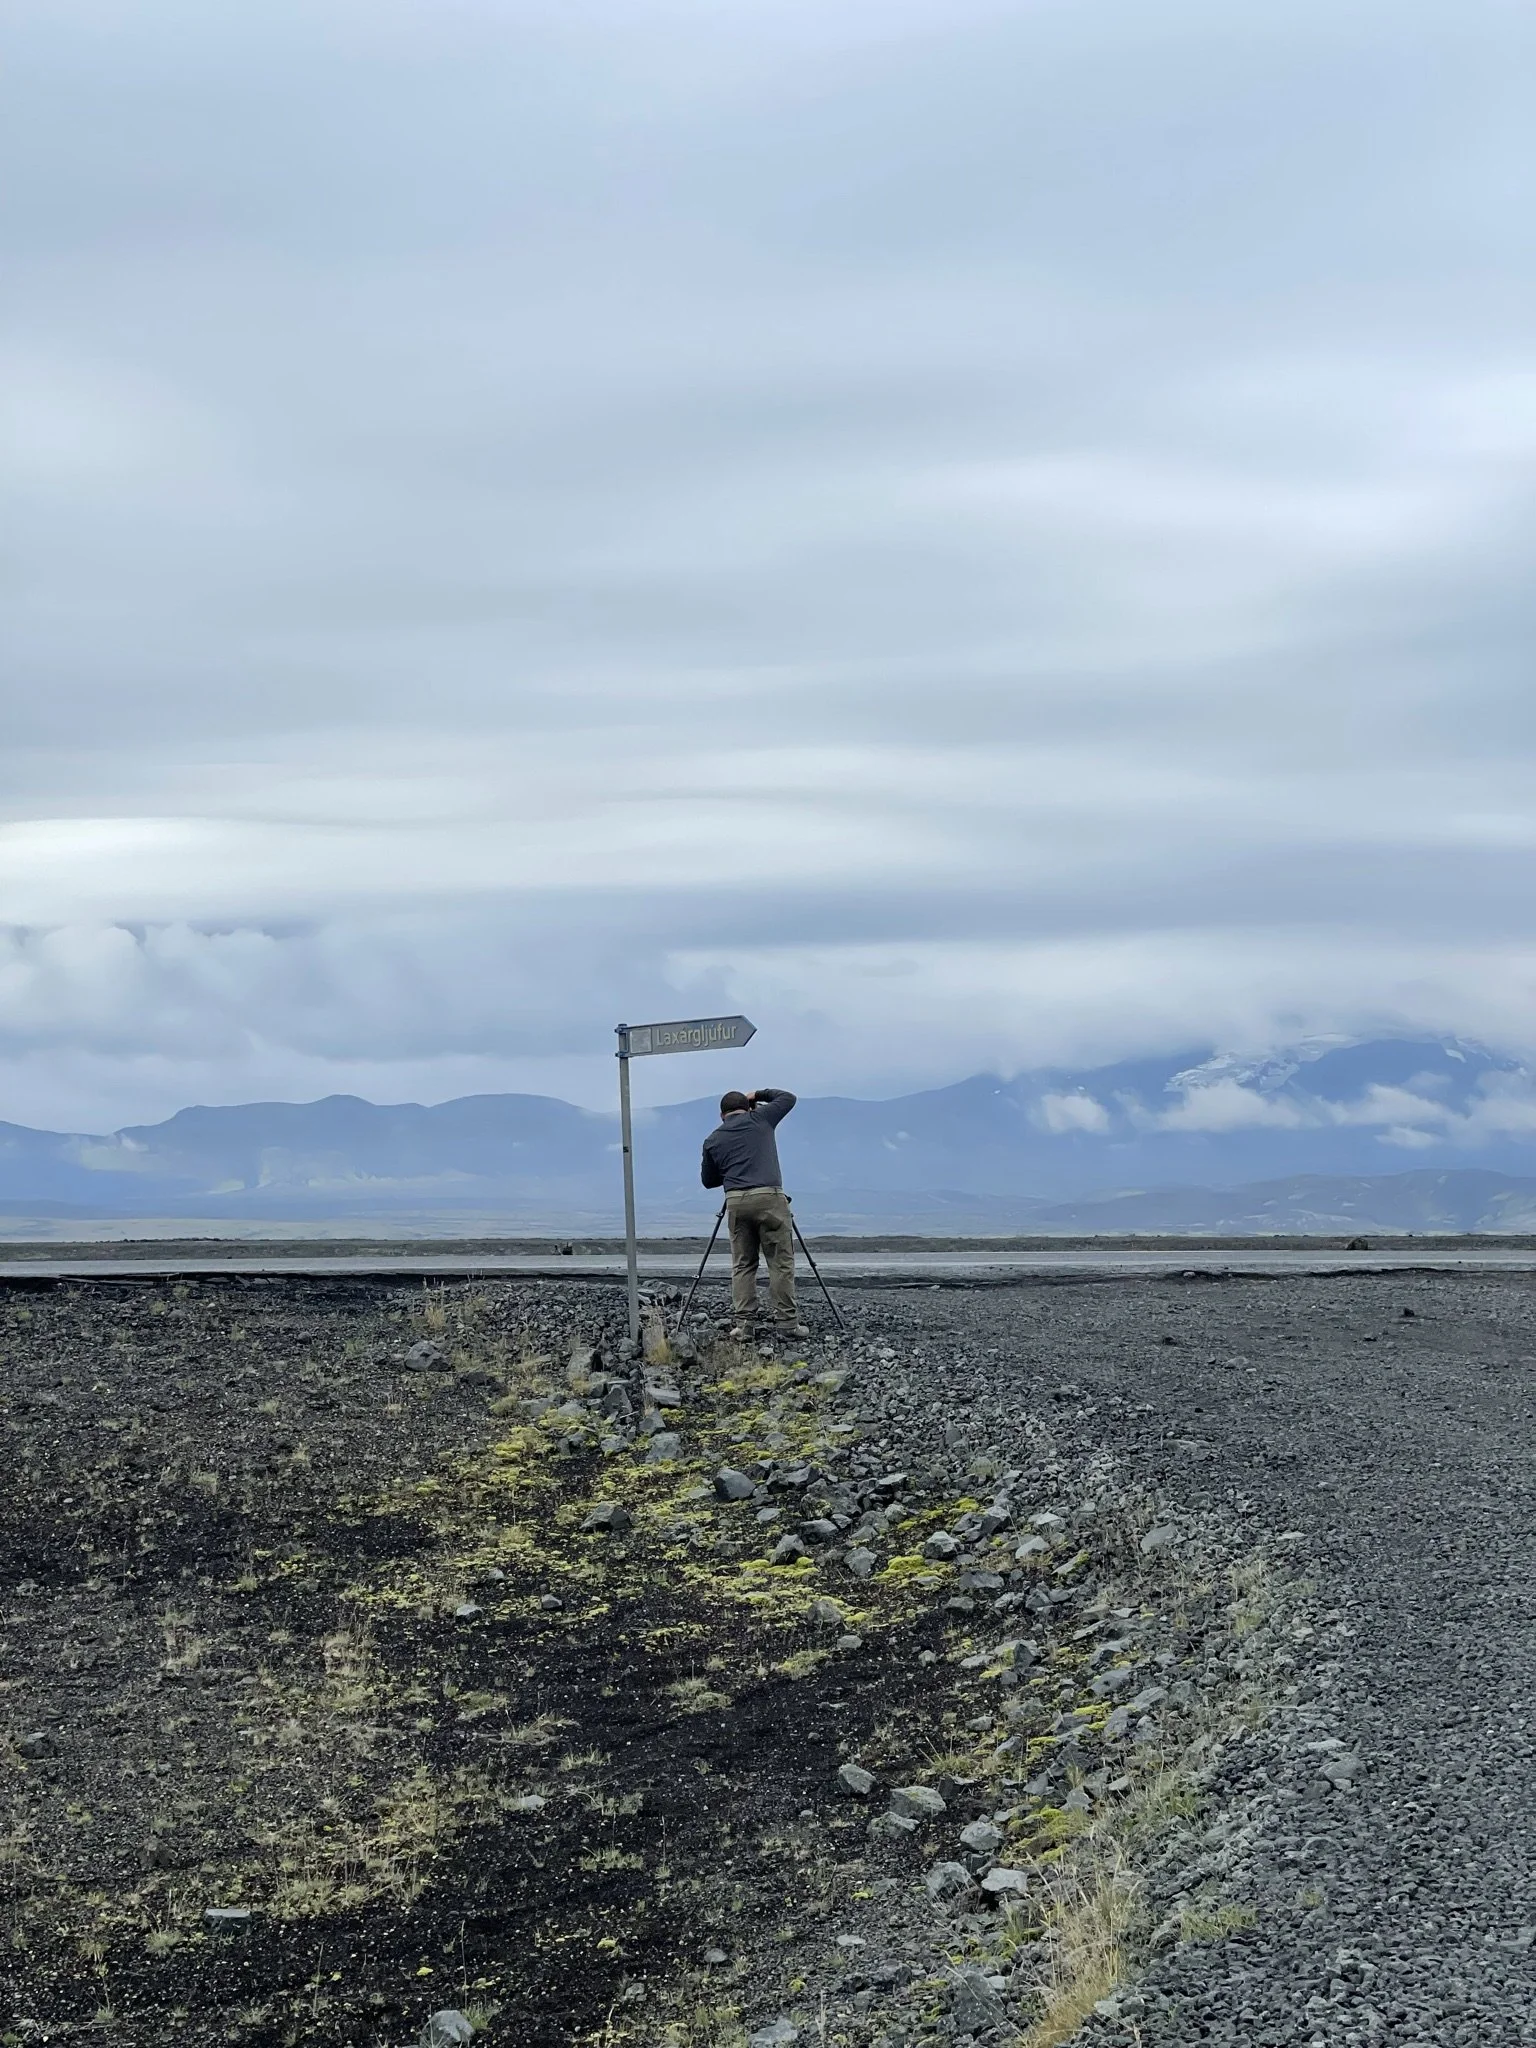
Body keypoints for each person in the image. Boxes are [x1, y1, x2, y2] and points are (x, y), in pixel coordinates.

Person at [700, 1087, 809, 1338]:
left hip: (736, 1201)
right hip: (770, 1198)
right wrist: (758, 1095)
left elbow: (709, 1181)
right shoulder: (760, 1119)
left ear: (721, 1115)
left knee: (743, 1265)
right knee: (780, 1263)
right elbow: (788, 1098)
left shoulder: (713, 1139)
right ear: (747, 1108)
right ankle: (787, 1324)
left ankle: (744, 1325)